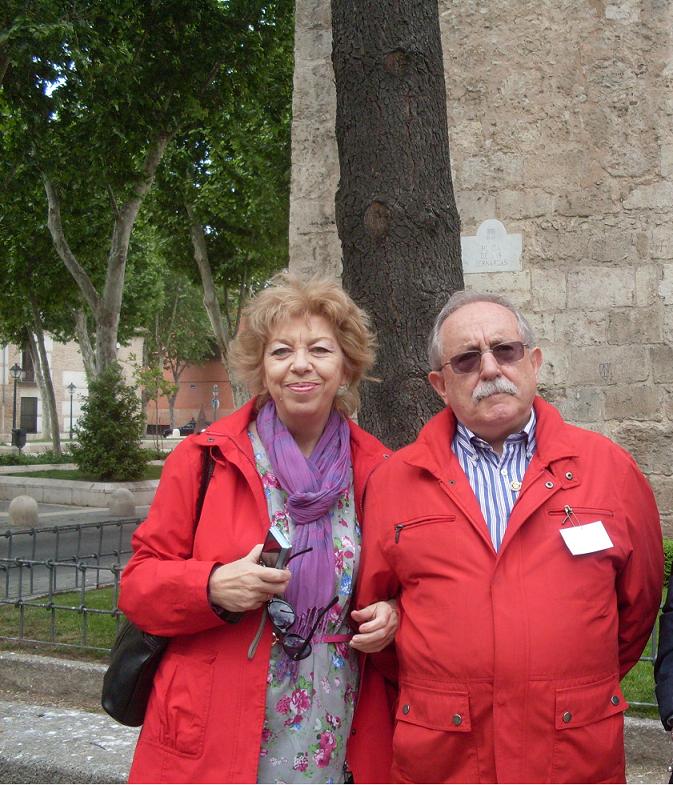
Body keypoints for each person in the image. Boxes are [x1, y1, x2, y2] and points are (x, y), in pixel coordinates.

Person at [356, 289, 663, 784]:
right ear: (440, 384)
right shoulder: (394, 482)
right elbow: (377, 614)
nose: (489, 369)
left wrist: (570, 681)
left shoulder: (611, 470)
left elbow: (638, 606)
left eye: (505, 350)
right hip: (446, 755)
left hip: (571, 752)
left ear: (533, 362)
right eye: (466, 359)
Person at [119, 273, 398, 784]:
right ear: (261, 368)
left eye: (320, 349)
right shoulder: (205, 459)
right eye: (281, 351)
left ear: (346, 366)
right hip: (218, 720)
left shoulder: (379, 471)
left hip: (335, 719)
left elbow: (404, 585)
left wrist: (392, 614)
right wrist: (210, 586)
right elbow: (138, 586)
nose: (300, 364)